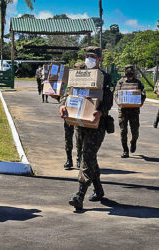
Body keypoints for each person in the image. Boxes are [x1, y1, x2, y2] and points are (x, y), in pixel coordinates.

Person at [59, 46, 113, 210]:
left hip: (97, 124)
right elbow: (68, 93)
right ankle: (98, 190)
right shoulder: (79, 75)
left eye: (93, 57)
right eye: (87, 56)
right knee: (89, 156)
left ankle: (79, 195)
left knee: (87, 157)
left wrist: (101, 111)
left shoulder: (105, 77)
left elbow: (109, 100)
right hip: (80, 123)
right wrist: (63, 105)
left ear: (99, 59)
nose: (89, 59)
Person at [114, 65, 146, 158]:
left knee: (135, 131)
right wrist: (118, 102)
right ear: (125, 72)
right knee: (123, 131)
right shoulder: (121, 82)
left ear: (133, 71)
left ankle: (133, 141)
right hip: (123, 111)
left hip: (134, 111)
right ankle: (125, 150)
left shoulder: (138, 82)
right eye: (127, 71)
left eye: (130, 71)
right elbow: (116, 94)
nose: (129, 73)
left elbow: (143, 94)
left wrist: (141, 103)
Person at [61, 62, 85, 170]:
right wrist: (62, 105)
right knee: (68, 137)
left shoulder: (87, 84)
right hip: (69, 113)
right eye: (77, 70)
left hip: (80, 113)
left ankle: (79, 159)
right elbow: (65, 96)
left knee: (79, 137)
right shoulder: (71, 83)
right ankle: (69, 159)